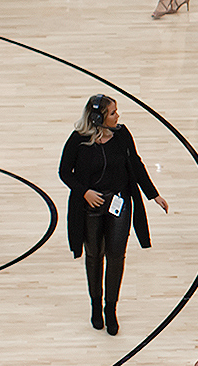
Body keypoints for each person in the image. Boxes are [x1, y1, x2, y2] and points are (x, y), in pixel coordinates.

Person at [59, 94, 170, 336]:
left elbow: (136, 165)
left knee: (116, 256)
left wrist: (153, 195)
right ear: (98, 118)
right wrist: (84, 192)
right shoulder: (78, 140)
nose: (117, 116)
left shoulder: (122, 135)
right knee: (93, 256)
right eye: (112, 113)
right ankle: (95, 305)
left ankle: (110, 308)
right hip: (91, 207)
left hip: (119, 204)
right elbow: (64, 172)